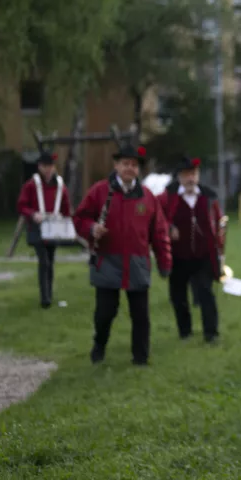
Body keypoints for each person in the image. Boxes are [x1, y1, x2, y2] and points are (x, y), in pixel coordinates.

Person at [74, 143, 172, 366]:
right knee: (105, 313)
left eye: (134, 165)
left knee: (140, 315)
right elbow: (80, 218)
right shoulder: (100, 191)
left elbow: (159, 232)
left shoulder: (148, 197)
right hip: (107, 260)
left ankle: (141, 358)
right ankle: (99, 346)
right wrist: (91, 229)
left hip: (137, 263)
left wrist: (165, 262)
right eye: (125, 164)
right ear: (116, 165)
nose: (129, 168)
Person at [157, 155, 224, 343]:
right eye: (186, 174)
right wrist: (169, 228)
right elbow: (156, 217)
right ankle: (184, 331)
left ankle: (211, 333)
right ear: (179, 176)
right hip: (178, 255)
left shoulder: (208, 196)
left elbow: (217, 221)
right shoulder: (167, 197)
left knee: (205, 292)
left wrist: (219, 245)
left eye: (194, 174)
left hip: (203, 255)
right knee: (178, 295)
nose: (190, 178)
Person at [16, 149, 72, 308]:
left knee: (50, 261)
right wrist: (33, 215)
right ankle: (45, 298)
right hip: (37, 228)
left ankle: (49, 294)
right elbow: (21, 205)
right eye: (45, 166)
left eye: (50, 166)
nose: (48, 169)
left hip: (53, 227)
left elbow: (66, 206)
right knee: (44, 261)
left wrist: (66, 220)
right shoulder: (31, 185)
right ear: (39, 167)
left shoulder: (60, 185)